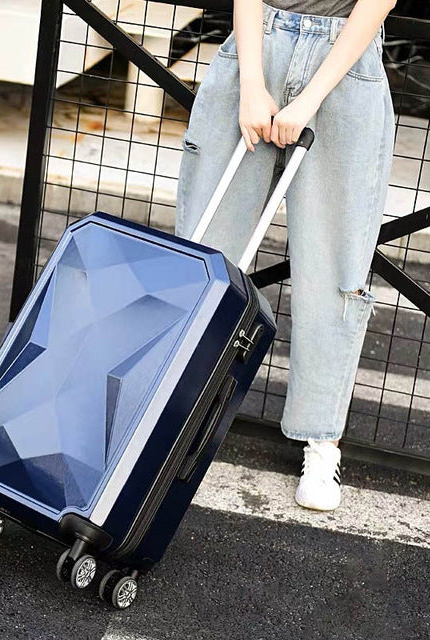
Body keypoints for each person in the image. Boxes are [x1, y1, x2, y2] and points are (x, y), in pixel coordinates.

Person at [175, 0, 396, 511]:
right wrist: (252, 84)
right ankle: (177, 412)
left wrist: (310, 97)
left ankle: (322, 441)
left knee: (334, 266)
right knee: (207, 251)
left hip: (346, 62)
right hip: (259, 40)